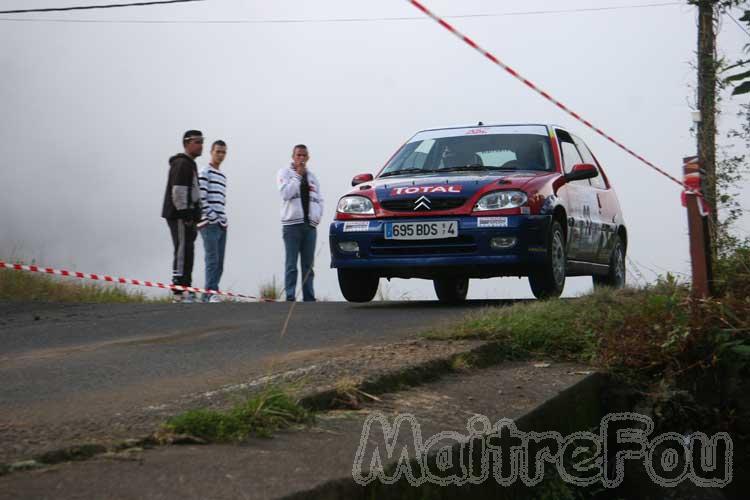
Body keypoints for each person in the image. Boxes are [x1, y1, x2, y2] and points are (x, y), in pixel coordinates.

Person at [277, 144, 323, 302]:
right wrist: (297, 176)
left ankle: (309, 297)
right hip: (291, 225)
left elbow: (319, 199)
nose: (301, 158)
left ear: (308, 157)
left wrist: (317, 216)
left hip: (309, 225)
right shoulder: (285, 173)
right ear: (293, 157)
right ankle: (290, 296)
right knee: (291, 264)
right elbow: (285, 193)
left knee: (308, 265)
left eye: (304, 156)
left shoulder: (312, 177)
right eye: (298, 155)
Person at [162, 130, 203, 303]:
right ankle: (178, 290)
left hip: (188, 216)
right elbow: (178, 192)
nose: (201, 145)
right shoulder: (181, 163)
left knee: (188, 250)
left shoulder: (191, 164)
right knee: (182, 249)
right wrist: (186, 215)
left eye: (202, 141)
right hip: (179, 216)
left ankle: (187, 287)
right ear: (187, 143)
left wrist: (196, 215)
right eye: (197, 141)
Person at [198, 140, 228, 303]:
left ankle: (207, 295)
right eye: (218, 152)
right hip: (208, 223)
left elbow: (220, 200)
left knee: (219, 262)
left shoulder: (222, 176)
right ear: (211, 152)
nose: (221, 155)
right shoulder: (205, 172)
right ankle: (211, 293)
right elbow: (200, 198)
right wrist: (212, 217)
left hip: (221, 224)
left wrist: (223, 220)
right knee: (212, 259)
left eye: (223, 152)